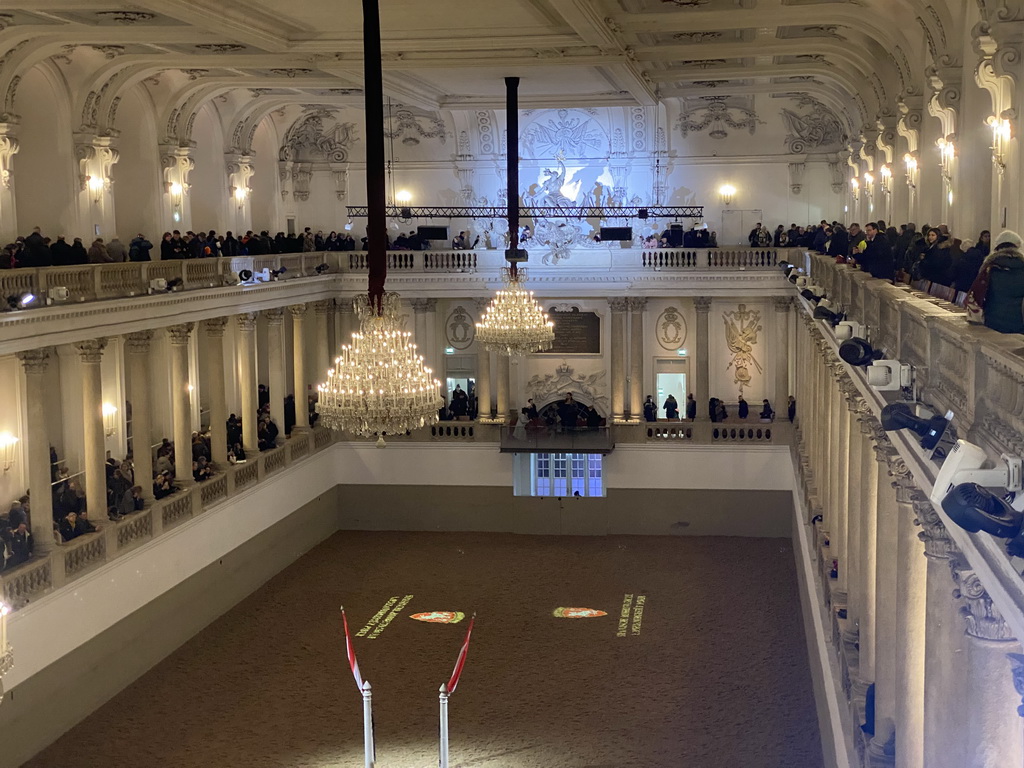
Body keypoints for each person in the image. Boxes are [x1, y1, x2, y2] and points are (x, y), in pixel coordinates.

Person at [966, 230, 1024, 334]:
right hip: (1019, 321)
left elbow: (977, 292)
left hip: (993, 320)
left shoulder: (989, 267)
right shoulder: (1022, 266)